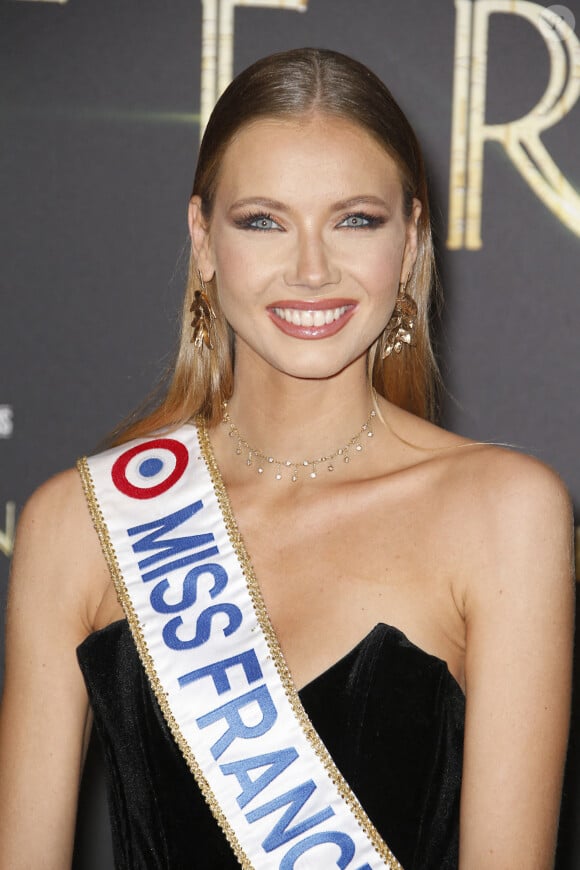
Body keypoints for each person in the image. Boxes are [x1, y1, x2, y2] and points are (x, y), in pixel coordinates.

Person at [0, 47, 574, 870]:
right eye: (263, 220)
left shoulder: (505, 512)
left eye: (356, 220)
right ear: (203, 239)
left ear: (411, 242)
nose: (311, 270)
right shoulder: (80, 522)